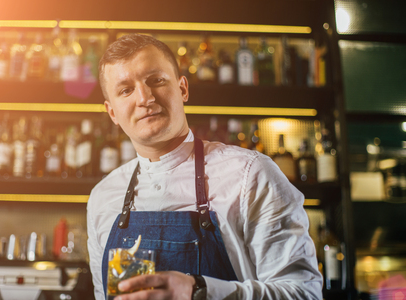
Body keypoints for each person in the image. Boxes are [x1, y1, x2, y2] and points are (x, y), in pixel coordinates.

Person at [87, 33, 322, 300]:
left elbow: (304, 294)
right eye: (126, 90)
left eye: (156, 80)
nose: (145, 98)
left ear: (183, 88)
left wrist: (200, 290)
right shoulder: (103, 197)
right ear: (113, 113)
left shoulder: (250, 175)